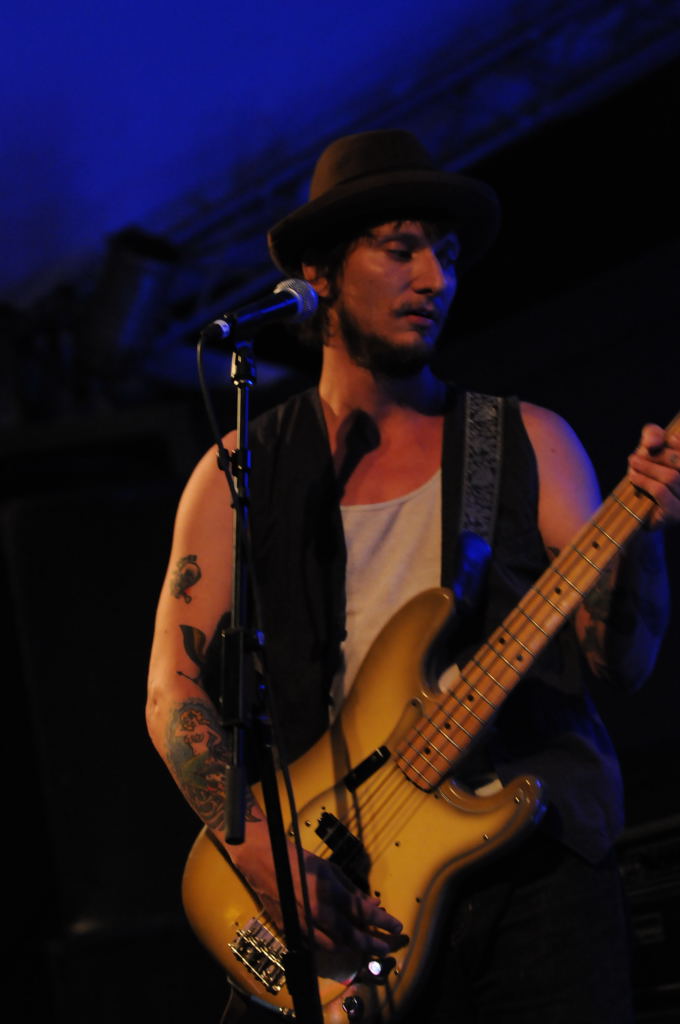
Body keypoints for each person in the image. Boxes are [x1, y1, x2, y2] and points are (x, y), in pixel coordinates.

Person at [146, 130, 679, 1023]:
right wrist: (259, 853)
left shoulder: (529, 441)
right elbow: (173, 685)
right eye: (401, 250)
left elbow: (617, 661)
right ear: (318, 273)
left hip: (534, 880)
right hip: (345, 883)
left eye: (448, 255)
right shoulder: (242, 469)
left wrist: (646, 540)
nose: (436, 280)